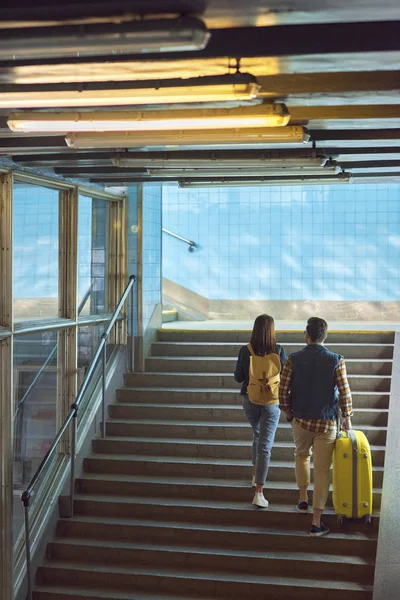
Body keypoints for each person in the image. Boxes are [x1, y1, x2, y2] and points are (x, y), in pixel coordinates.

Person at [279, 317, 353, 537]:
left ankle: (303, 500)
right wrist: (347, 416)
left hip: (300, 420)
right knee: (322, 471)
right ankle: (316, 522)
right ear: (325, 336)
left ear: (306, 335)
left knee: (301, 456)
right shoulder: (336, 360)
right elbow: (345, 391)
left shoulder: (293, 359)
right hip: (326, 422)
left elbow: (282, 390)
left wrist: (288, 411)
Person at [234, 314, 287, 508]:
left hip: (250, 400)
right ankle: (259, 492)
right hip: (271, 402)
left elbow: (238, 377)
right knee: (265, 444)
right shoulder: (279, 350)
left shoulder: (245, 350)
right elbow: (286, 376)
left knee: (257, 435)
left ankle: (255, 474)